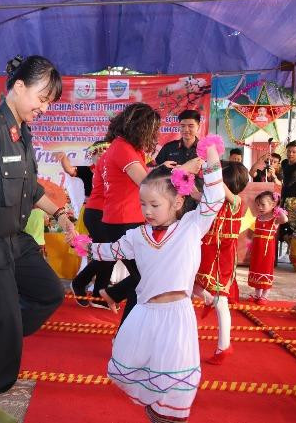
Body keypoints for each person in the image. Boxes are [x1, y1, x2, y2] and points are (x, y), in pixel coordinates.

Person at [0, 55, 73, 423]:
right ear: (19, 87)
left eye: (49, 101)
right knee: (4, 328)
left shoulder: (22, 131)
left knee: (49, 293)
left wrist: (60, 214)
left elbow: (29, 188)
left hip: (15, 240)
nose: (44, 108)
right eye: (42, 98)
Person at [88, 139, 224, 423]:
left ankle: (166, 416)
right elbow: (110, 250)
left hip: (177, 316)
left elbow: (214, 199)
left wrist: (210, 152)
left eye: (154, 204)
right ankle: (156, 409)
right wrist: (82, 245)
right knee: (131, 366)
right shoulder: (137, 236)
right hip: (144, 314)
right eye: (142, 204)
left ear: (177, 202)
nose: (147, 211)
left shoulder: (191, 226)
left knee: (176, 379)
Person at [99, 103, 163, 316]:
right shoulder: (122, 148)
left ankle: (115, 295)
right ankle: (125, 326)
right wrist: (181, 171)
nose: (154, 136)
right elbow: (147, 184)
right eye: (152, 130)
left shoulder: (129, 148)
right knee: (145, 277)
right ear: (139, 127)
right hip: (123, 222)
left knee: (144, 276)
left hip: (126, 220)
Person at [193, 161, 249, 365]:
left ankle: (224, 346)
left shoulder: (236, 201)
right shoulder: (213, 199)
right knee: (191, 285)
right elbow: (195, 194)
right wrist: (185, 180)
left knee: (220, 301)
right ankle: (222, 345)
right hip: (206, 249)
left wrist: (209, 168)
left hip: (222, 255)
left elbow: (219, 187)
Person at [70, 140, 114, 307]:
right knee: (108, 252)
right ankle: (80, 282)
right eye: (99, 152)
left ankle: (99, 294)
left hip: (111, 214)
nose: (103, 155)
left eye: (106, 152)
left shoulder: (112, 167)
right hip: (96, 213)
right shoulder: (97, 170)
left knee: (110, 253)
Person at [247, 191, 288, 304]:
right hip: (257, 248)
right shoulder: (259, 217)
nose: (259, 207)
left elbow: (285, 220)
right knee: (256, 268)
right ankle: (257, 294)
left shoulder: (275, 218)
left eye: (263, 204)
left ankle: (265, 295)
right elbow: (253, 234)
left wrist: (278, 210)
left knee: (265, 269)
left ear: (273, 205)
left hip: (267, 249)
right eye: (258, 204)